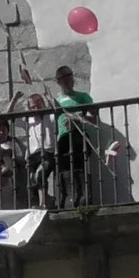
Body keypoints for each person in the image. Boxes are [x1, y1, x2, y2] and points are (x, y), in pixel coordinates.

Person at [54, 65, 95, 207]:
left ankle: (83, 198)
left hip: (78, 136)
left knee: (80, 167)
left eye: (68, 76)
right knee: (64, 169)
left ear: (73, 78)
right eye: (62, 77)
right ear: (58, 82)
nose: (66, 80)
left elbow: (94, 118)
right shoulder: (56, 101)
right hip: (63, 138)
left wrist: (77, 118)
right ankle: (67, 200)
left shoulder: (82, 97)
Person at [9, 91, 56, 208]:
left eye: (39, 105)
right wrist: (14, 99)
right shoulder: (28, 120)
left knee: (40, 175)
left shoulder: (49, 116)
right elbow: (9, 115)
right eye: (33, 107)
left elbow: (58, 110)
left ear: (43, 104)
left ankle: (42, 204)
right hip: (32, 155)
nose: (36, 109)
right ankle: (47, 201)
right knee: (33, 181)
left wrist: (49, 97)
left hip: (47, 152)